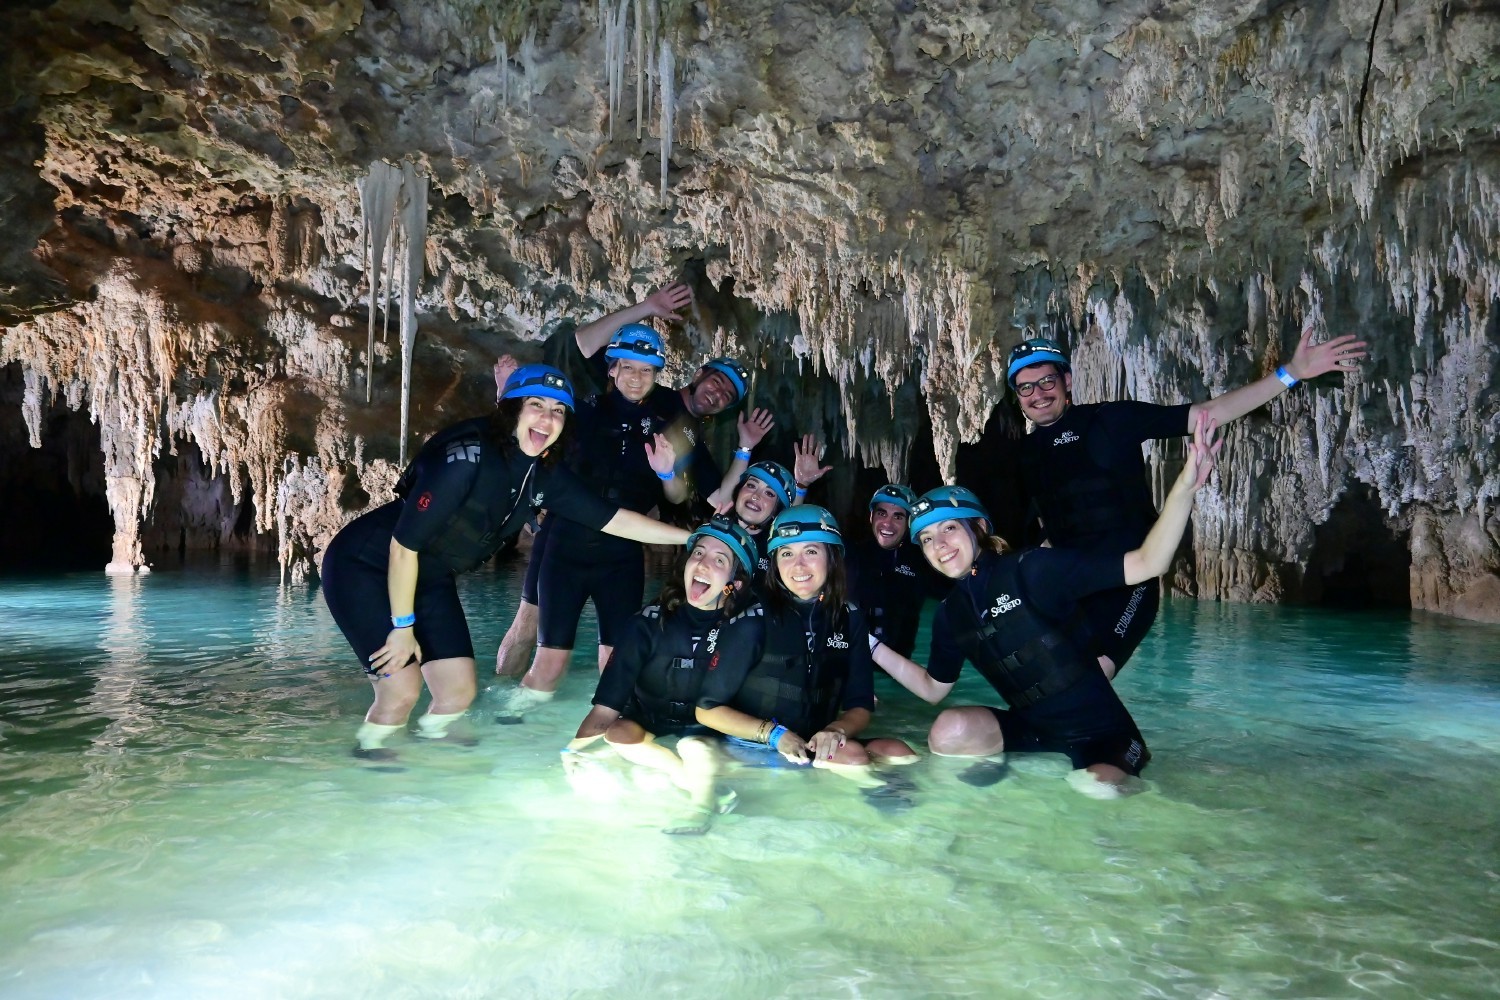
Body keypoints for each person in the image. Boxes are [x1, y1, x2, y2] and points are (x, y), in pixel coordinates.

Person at [319, 361, 690, 758]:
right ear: (511, 408)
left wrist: (694, 537)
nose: (547, 418)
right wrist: (402, 626)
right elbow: (403, 547)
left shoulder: (544, 474)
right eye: (536, 404)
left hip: (431, 575)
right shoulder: (466, 459)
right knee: (401, 689)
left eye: (558, 410)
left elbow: (616, 520)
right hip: (366, 566)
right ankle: (369, 765)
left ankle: (428, 759)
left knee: (458, 692)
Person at [873, 414, 1222, 797]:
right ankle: (999, 789)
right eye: (925, 538)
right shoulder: (951, 612)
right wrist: (868, 645)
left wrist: (1185, 488)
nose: (938, 545)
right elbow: (933, 688)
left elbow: (1146, 563)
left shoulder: (1031, 569)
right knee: (947, 733)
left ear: (979, 529)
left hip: (1103, 735)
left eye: (949, 528)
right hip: (1033, 729)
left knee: (1098, 788)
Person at [1007, 323, 1367, 678]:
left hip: (1128, 578)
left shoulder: (1110, 421)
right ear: (1018, 396)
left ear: (1067, 381)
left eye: (1046, 381)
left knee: (1088, 676)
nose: (1038, 393)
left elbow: (1209, 413)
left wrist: (1291, 374)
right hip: (1069, 581)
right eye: (1026, 387)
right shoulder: (1024, 454)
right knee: (1038, 678)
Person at [695, 506, 918, 804]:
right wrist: (773, 735)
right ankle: (885, 810)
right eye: (786, 554)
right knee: (852, 757)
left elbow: (860, 706)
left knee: (899, 751)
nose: (798, 566)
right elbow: (706, 709)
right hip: (754, 747)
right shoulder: (753, 622)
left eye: (811, 552)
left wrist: (835, 730)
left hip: (814, 742)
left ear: (832, 558)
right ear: (775, 563)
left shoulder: (849, 618)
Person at [566, 517, 765, 834]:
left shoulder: (746, 628)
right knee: (616, 734)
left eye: (719, 560)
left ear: (735, 583)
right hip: (647, 716)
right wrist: (571, 751)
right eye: (698, 553)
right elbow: (606, 707)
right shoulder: (647, 623)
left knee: (696, 748)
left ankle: (699, 810)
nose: (702, 564)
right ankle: (691, 781)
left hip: (707, 726)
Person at [845, 484, 945, 659]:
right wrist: (801, 488)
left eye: (898, 516)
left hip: (897, 672)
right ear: (871, 516)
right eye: (881, 513)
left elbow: (962, 591)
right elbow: (794, 547)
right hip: (850, 663)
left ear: (909, 523)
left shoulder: (923, 564)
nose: (887, 523)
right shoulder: (850, 555)